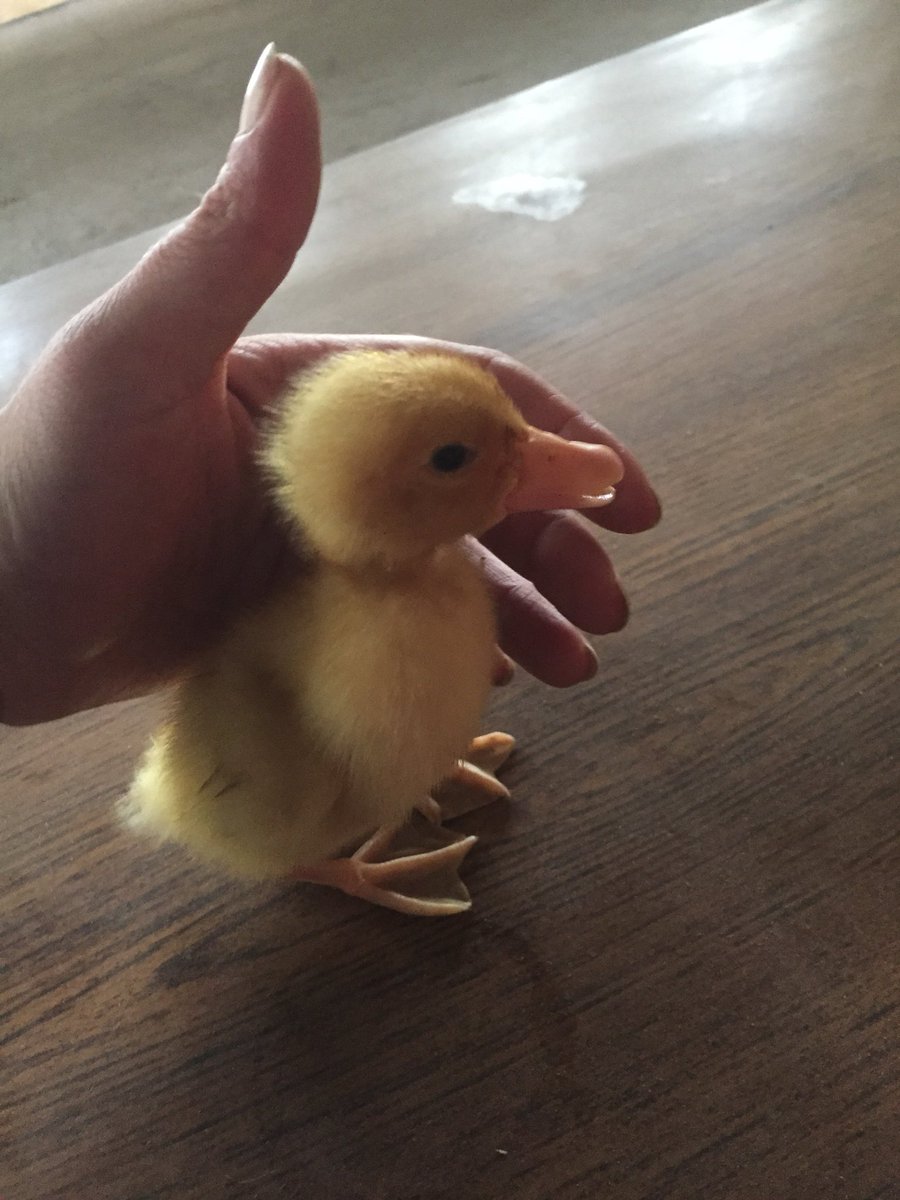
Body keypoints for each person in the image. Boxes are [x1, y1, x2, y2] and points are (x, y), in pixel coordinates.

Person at [0, 47, 660, 728]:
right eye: (451, 459)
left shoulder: (356, 602)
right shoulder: (335, 639)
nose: (573, 457)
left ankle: (405, 787)